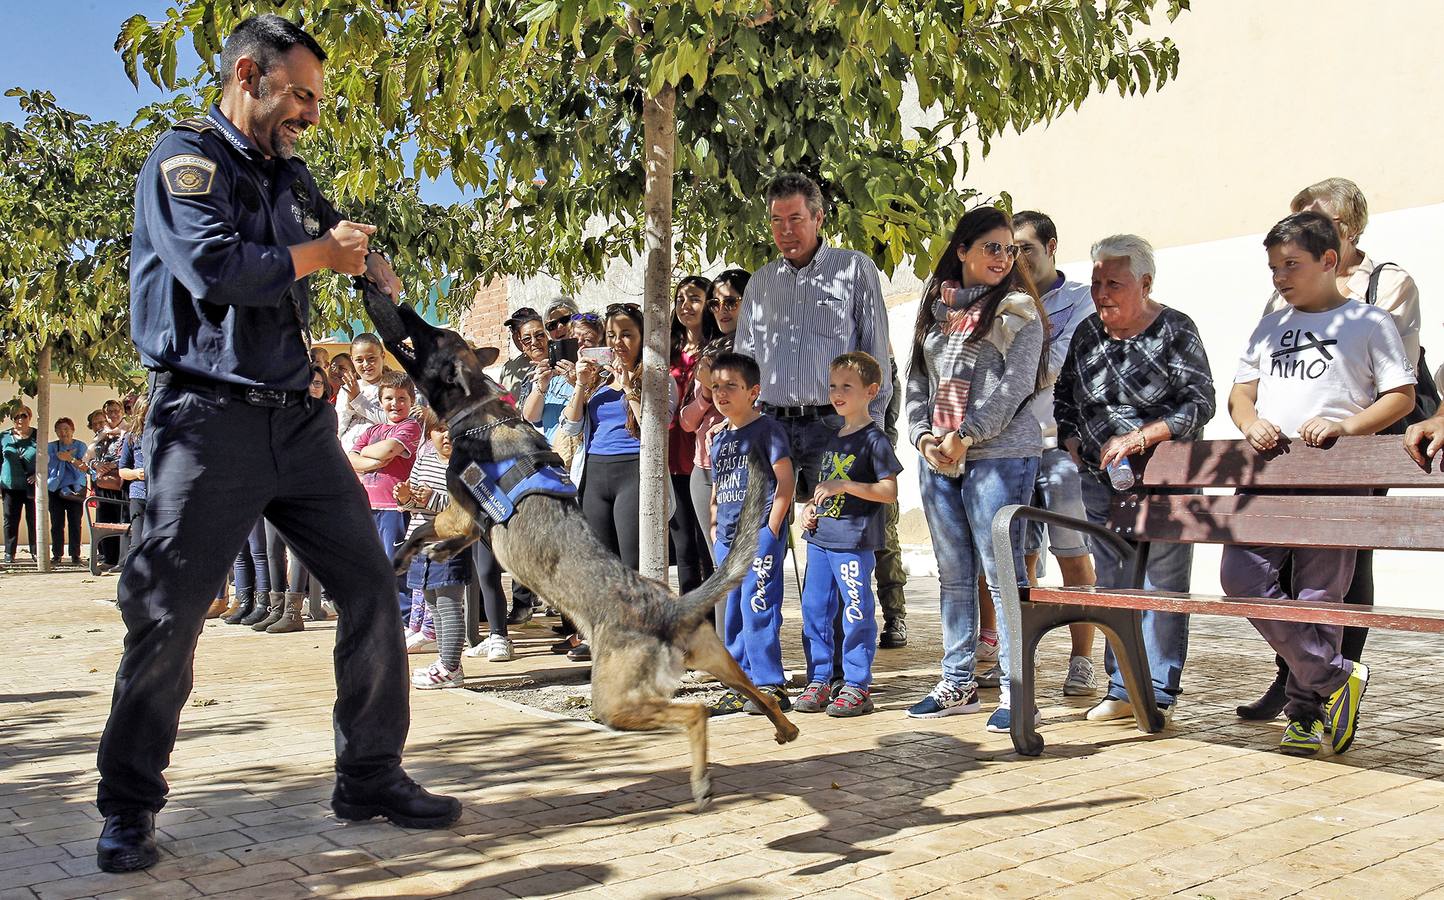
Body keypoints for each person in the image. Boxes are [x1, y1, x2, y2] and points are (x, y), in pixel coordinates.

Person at [97, 15, 458, 875]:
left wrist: (371, 266)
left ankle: (371, 776)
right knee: (168, 615)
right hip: (205, 418)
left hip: (297, 423)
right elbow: (213, 268)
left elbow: (331, 248)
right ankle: (128, 807)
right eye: (299, 95)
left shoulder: (291, 176)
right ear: (247, 74)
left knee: (370, 586)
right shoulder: (184, 162)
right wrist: (319, 255)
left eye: (317, 100)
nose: (311, 114)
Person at [1222, 212, 1411, 756]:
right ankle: (1336, 678)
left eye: (1291, 265)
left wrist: (1346, 426)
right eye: (1273, 267)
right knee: (1241, 577)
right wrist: (1248, 421)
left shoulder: (1369, 323)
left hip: (1336, 476)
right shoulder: (1268, 327)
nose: (1280, 277)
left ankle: (1304, 715)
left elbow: (1398, 396)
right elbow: (1240, 395)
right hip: (1268, 472)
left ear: (1329, 261)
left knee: (1319, 597)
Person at [1055, 234, 1216, 726]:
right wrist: (1075, 442)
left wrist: (1142, 438)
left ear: (1145, 283)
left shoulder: (1175, 330)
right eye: (1098, 282)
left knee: (1162, 586)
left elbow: (1199, 403)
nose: (1102, 293)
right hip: (1102, 480)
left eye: (1114, 284)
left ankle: (1158, 692)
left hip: (1167, 477)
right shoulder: (1087, 334)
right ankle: (1122, 686)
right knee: (1115, 584)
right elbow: (1064, 399)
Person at [902, 207, 1047, 734]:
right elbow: (917, 381)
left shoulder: (1017, 309)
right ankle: (957, 680)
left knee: (1003, 574)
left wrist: (965, 436)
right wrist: (922, 437)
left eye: (1009, 250)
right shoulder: (936, 310)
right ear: (961, 250)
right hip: (939, 458)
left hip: (998, 457)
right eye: (992, 247)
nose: (1003, 258)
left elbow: (1014, 388)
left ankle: (1017, 690)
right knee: (955, 576)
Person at [734, 173, 892, 497]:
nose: (785, 231)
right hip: (771, 425)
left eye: (795, 219)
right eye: (776, 221)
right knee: (765, 534)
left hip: (835, 423)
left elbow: (873, 354)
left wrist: (870, 428)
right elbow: (744, 359)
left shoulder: (853, 269)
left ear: (818, 218)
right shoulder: (760, 283)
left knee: (839, 529)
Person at [996, 209, 1101, 696]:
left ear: (1052, 246)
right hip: (1008, 447)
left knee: (1072, 553)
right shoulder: (1001, 301)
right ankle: (1021, 658)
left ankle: (1083, 659)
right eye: (1009, 249)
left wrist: (1003, 385)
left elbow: (1057, 365)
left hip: (1059, 448)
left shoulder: (1080, 300)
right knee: (1016, 558)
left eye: (1026, 248)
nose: (1016, 258)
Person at [558, 303, 677, 661]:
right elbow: (571, 427)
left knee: (632, 563)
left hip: (633, 471)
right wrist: (581, 385)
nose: (619, 342)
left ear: (642, 338)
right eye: (612, 335)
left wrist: (629, 389)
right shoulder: (596, 380)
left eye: (627, 334)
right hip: (595, 472)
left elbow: (658, 431)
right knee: (601, 564)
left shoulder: (657, 377)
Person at [795, 352, 901, 717]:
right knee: (814, 609)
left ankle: (857, 684)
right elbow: (824, 487)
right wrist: (810, 507)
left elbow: (888, 491)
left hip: (854, 542)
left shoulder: (875, 440)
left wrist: (846, 486)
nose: (837, 393)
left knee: (855, 611)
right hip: (821, 540)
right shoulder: (830, 435)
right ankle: (820, 678)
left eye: (847, 387)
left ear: (871, 391)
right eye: (833, 386)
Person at [706, 352, 795, 716]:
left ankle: (769, 682)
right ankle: (739, 683)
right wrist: (714, 526)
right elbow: (718, 487)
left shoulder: (768, 430)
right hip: (727, 539)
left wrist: (772, 528)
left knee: (757, 607)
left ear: (753, 391)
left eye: (731, 386)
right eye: (715, 387)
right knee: (734, 614)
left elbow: (785, 481)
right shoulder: (720, 437)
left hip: (757, 534)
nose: (722, 393)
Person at [397, 418, 488, 686]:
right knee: (433, 604)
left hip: (449, 545)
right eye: (439, 429)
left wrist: (432, 499)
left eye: (453, 429)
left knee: (449, 607)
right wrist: (404, 497)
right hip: (421, 542)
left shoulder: (470, 466)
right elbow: (410, 501)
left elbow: (472, 509)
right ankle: (443, 661)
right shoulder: (423, 459)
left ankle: (451, 667)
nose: (446, 435)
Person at [348, 371, 423, 624]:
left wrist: (370, 455)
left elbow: (391, 448)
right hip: (370, 506)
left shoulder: (410, 426)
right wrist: (377, 459)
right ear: (380, 401)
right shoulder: (373, 430)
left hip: (396, 508)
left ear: (411, 401)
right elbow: (350, 459)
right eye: (389, 398)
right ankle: (381, 616)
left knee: (396, 566)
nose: (395, 404)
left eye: (402, 398)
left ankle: (403, 620)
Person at [670, 275, 721, 593]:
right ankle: (690, 627)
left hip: (704, 455)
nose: (684, 306)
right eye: (679, 299)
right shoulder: (668, 348)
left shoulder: (717, 349)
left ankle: (713, 628)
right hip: (674, 454)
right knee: (684, 546)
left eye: (694, 299)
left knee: (708, 547)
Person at [336, 332, 389, 449]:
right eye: (359, 360)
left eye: (371, 358)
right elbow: (338, 427)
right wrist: (349, 407)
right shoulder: (347, 388)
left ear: (383, 355)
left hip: (376, 454)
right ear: (352, 360)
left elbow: (392, 420)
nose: (366, 364)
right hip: (347, 453)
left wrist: (357, 399)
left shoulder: (394, 386)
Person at [47, 417, 88, 567]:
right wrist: (60, 458)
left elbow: (84, 467)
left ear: (72, 430)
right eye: (59, 429)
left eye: (66, 429)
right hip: (55, 489)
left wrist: (69, 458)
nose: (63, 432)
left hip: (74, 490)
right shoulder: (51, 447)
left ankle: (75, 555)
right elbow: (47, 465)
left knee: (75, 523)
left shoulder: (81, 446)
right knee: (56, 523)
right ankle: (57, 554)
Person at [116, 398, 151, 569]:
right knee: (137, 543)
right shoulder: (132, 438)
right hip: (139, 495)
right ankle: (131, 586)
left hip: (162, 495)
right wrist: (136, 473)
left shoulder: (167, 435)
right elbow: (122, 470)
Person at [2, 405, 38, 564]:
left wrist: (38, 475)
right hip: (10, 485)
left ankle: (36, 551)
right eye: (16, 417)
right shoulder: (4, 436)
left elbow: (46, 458)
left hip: (32, 486)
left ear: (29, 417)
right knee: (10, 519)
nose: (20, 419)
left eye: (23, 415)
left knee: (34, 519)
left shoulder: (38, 435)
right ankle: (10, 553)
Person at [499, 307, 544, 397]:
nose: (533, 341)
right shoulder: (508, 368)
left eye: (538, 335)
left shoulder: (555, 360)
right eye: (514, 330)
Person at [707, 268, 750, 336]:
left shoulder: (766, 343)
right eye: (714, 304)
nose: (721, 310)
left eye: (730, 302)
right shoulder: (713, 345)